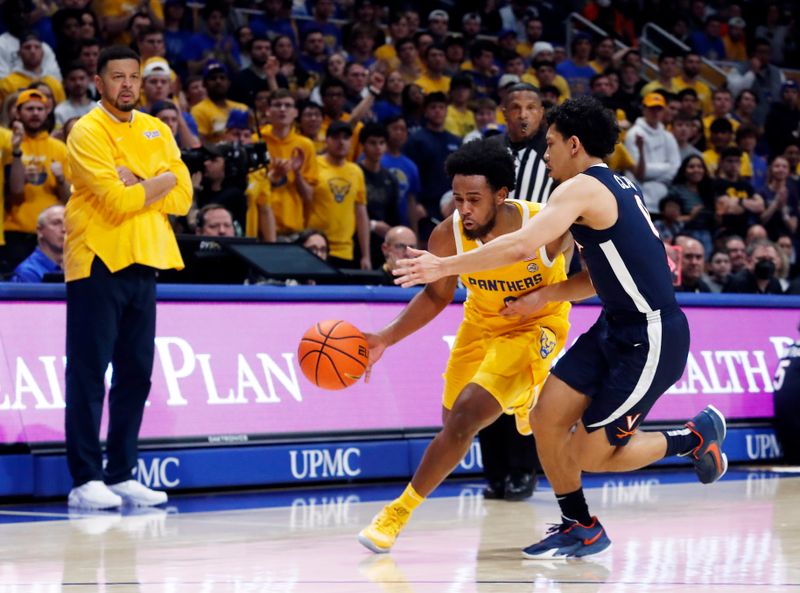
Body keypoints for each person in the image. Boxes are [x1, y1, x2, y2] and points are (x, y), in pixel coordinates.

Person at [393, 96, 728, 559]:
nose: (544, 154)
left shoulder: (580, 190)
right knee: (545, 418)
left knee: (589, 455)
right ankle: (580, 525)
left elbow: (522, 245)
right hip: (615, 325)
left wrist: (443, 264)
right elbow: (596, 276)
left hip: (651, 337)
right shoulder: (609, 186)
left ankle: (694, 437)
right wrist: (543, 296)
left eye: (549, 144)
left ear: (573, 144)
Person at [357, 138, 572, 554]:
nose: (464, 209)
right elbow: (437, 297)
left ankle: (397, 513)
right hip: (480, 324)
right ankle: (524, 396)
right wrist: (386, 336)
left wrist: (546, 296)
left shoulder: (544, 224)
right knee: (451, 419)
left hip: (535, 326)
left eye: (474, 199)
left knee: (466, 417)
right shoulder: (447, 234)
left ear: (502, 194)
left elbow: (588, 277)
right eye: (458, 199)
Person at [64, 46, 192, 509]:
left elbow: (184, 197)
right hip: (97, 260)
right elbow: (117, 203)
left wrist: (138, 179)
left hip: (146, 259)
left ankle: (120, 473)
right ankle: (85, 479)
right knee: (88, 372)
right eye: (117, 77)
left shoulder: (157, 129)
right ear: (98, 83)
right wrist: (158, 181)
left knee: (136, 374)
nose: (126, 85)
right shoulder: (87, 131)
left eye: (133, 77)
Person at [5, 89, 71, 270]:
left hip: (54, 234)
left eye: (40, 109)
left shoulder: (60, 149)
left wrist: (60, 179)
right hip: (17, 232)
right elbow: (15, 191)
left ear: (47, 111)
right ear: (17, 113)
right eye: (29, 109)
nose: (35, 113)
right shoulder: (8, 144)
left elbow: (69, 199)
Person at [305, 120, 369, 269]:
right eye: (336, 137)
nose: (341, 142)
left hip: (345, 250)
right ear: (326, 140)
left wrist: (366, 255)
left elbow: (361, 214)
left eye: (346, 138)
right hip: (315, 246)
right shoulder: (313, 164)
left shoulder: (356, 171)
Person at [10, 204, 64, 282]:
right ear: (39, 231)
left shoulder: (79, 267)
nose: (64, 229)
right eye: (56, 223)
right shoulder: (27, 272)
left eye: (68, 223)